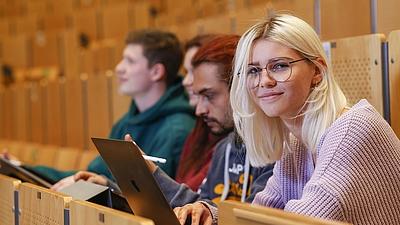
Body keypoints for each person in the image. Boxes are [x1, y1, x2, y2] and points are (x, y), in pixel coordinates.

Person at [178, 14, 400, 225]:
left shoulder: (354, 129)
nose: (264, 81)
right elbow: (261, 214)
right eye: (254, 70)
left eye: (279, 66)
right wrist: (211, 215)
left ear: (318, 71)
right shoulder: (295, 144)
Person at [72, 35, 274, 214]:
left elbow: (244, 218)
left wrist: (151, 175)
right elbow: (197, 207)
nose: (199, 110)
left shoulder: (275, 150)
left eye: (209, 96)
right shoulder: (225, 147)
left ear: (239, 90)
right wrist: (112, 188)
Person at [32, 29, 196, 189]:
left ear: (156, 72)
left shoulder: (177, 130)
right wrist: (22, 168)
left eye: (130, 61)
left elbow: (155, 200)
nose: (119, 67)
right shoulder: (124, 123)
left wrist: (100, 185)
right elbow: (91, 175)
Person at [175, 34, 226, 191]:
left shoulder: (232, 143)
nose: (187, 81)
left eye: (194, 71)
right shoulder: (198, 130)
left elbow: (188, 196)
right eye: (187, 72)